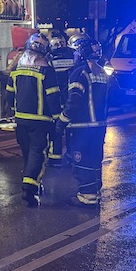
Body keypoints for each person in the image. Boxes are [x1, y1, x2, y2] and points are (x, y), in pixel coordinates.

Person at [6, 32, 63, 207]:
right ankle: (29, 188)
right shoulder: (46, 68)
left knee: (28, 153)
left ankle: (32, 183)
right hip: (41, 121)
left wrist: (15, 111)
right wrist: (57, 118)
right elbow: (53, 96)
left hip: (21, 120)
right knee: (38, 154)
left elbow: (9, 93)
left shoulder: (17, 67)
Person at [57, 37, 109, 207]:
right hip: (99, 126)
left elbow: (74, 101)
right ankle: (94, 193)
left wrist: (61, 122)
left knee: (82, 162)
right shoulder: (102, 72)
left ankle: (87, 197)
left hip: (82, 127)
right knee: (94, 161)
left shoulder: (79, 73)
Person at [47, 30, 76, 168]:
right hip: (71, 96)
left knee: (56, 127)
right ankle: (72, 155)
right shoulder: (73, 55)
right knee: (71, 127)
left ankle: (55, 158)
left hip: (56, 97)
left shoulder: (50, 58)